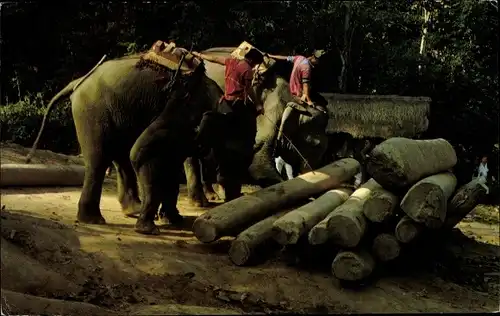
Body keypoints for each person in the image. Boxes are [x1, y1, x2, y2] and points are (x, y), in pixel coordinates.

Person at [191, 48, 265, 200]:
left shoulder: (231, 62)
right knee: (237, 148)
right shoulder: (247, 70)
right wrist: (258, 105)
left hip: (224, 104)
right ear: (252, 61)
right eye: (256, 63)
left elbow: (214, 59)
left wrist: (199, 55)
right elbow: (250, 90)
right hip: (237, 108)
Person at [266, 49, 329, 158]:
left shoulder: (299, 58)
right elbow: (305, 87)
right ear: (315, 59)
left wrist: (271, 55)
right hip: (298, 95)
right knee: (322, 108)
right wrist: (309, 101)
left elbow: (285, 58)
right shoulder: (307, 68)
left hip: (292, 89)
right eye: (319, 61)